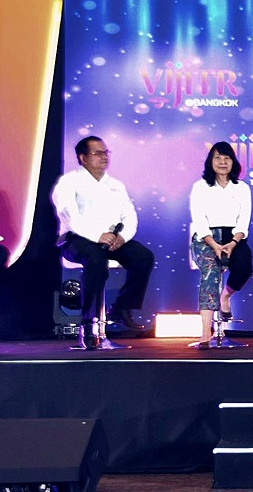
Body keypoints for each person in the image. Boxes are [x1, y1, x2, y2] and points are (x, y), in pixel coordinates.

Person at [52, 136, 154, 349]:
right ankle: (89, 323)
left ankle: (120, 309)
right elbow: (69, 215)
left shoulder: (116, 185)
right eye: (97, 153)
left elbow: (129, 215)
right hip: (78, 239)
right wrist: (97, 235)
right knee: (96, 259)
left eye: (106, 152)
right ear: (83, 158)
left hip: (112, 239)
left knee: (143, 257)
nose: (104, 157)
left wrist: (122, 237)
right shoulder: (69, 182)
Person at [189, 141, 253, 349]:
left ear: (233, 162)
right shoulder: (200, 187)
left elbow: (244, 221)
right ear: (211, 161)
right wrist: (214, 245)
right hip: (206, 238)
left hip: (234, 237)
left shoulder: (242, 188)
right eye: (218, 158)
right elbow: (199, 220)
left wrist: (233, 243)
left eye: (227, 158)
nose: (223, 162)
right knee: (211, 274)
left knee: (244, 267)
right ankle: (205, 334)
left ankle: (225, 297)